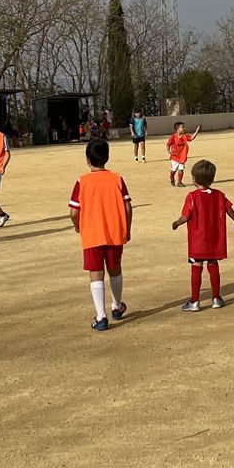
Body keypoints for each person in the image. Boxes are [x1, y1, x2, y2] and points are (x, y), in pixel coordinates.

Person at [68, 137, 131, 331]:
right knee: (115, 268)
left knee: (95, 272)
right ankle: (117, 305)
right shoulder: (117, 178)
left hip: (92, 233)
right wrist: (127, 228)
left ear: (87, 159)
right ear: (107, 158)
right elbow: (128, 207)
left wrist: (78, 225)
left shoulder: (82, 181)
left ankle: (101, 316)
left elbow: (73, 211)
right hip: (114, 232)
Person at [173, 158, 234, 311]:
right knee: (213, 264)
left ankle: (195, 301)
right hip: (215, 238)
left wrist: (177, 223)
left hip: (198, 240)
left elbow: (186, 216)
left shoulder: (192, 196)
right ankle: (216, 298)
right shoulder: (219, 195)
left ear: (194, 179)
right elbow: (229, 209)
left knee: (197, 265)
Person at [166, 121, 201, 188]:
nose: (184, 128)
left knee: (181, 169)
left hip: (182, 156)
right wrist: (169, 151)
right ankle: (172, 177)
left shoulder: (185, 136)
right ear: (177, 129)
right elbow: (168, 144)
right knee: (173, 170)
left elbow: (192, 138)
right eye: (183, 127)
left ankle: (179, 182)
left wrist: (197, 131)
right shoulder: (173, 137)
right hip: (175, 157)